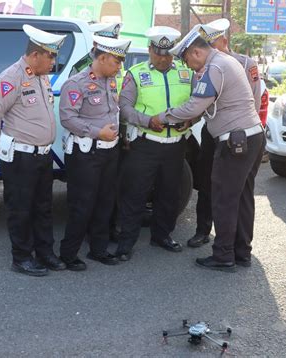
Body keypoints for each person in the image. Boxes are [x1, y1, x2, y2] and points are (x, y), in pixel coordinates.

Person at [156, 29, 266, 272]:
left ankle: (224, 255)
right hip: (252, 136)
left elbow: (197, 104)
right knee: (243, 197)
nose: (189, 66)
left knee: (224, 198)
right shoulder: (226, 61)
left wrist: (164, 117)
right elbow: (208, 107)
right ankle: (241, 251)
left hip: (235, 141)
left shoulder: (214, 67)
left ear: (196, 51)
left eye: (187, 60)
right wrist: (191, 121)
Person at [0, 25, 66, 276]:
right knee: (21, 208)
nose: (54, 61)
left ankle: (45, 252)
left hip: (41, 154)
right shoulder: (11, 78)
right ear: (36, 54)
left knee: (43, 206)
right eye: (51, 56)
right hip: (20, 156)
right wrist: (1, 145)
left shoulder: (40, 76)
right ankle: (21, 257)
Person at [114, 26, 193, 261]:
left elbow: (197, 103)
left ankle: (162, 235)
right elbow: (124, 107)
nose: (163, 58)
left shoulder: (186, 73)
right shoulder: (135, 74)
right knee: (135, 194)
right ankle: (126, 243)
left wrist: (191, 119)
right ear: (150, 50)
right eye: (159, 53)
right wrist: (147, 120)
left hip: (176, 144)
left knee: (170, 193)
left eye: (168, 54)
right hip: (146, 145)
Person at [187, 18, 262, 249]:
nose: (206, 50)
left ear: (223, 41)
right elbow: (198, 99)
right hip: (214, 131)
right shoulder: (202, 66)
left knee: (236, 192)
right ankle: (203, 230)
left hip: (238, 134)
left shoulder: (244, 63)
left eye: (211, 44)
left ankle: (236, 244)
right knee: (208, 183)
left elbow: (255, 97)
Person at [59, 36, 131, 271]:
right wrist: (97, 132)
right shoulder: (76, 84)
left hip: (109, 152)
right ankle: (69, 254)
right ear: (101, 58)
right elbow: (68, 118)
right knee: (82, 204)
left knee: (105, 202)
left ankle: (98, 249)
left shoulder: (111, 80)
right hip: (85, 153)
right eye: (117, 61)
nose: (120, 66)